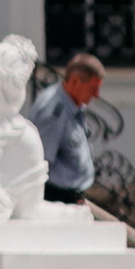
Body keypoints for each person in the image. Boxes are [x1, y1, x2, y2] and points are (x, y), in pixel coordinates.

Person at [27, 51, 104, 208]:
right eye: (92, 89)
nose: (96, 95)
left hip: (70, 197)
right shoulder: (54, 110)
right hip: (56, 198)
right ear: (75, 82)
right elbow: (39, 163)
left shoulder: (71, 105)